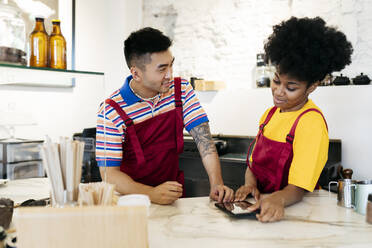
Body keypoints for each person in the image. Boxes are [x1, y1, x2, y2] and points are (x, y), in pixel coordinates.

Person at [96, 27, 233, 205]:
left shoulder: (181, 90)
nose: (170, 75)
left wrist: (217, 183)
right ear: (136, 73)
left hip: (172, 197)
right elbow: (109, 173)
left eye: (171, 65)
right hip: (130, 202)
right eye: (162, 69)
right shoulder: (111, 110)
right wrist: (150, 193)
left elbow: (204, 141)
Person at [235, 16, 353, 222]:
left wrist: (277, 200)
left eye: (291, 88)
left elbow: (298, 189)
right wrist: (250, 186)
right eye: (276, 81)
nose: (279, 92)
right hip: (264, 206)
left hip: (297, 212)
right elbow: (253, 165)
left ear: (312, 86)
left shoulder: (311, 123)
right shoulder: (270, 114)